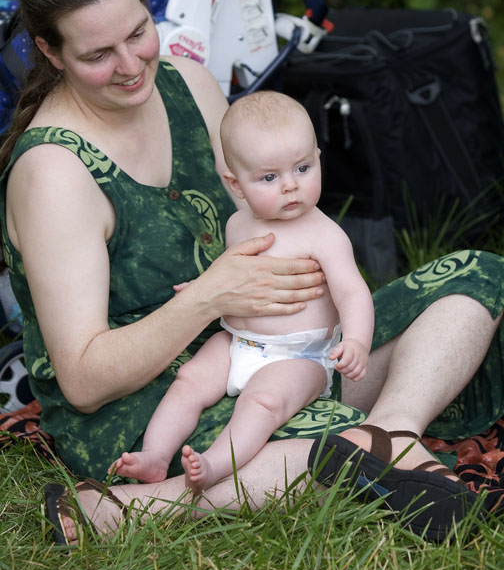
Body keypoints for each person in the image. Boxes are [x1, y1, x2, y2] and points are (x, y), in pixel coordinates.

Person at [0, 0, 502, 546]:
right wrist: (210, 296)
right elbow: (83, 380)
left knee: (477, 275)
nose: (131, 67)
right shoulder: (54, 173)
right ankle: (135, 509)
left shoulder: (188, 84)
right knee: (322, 445)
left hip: (273, 347)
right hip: (145, 401)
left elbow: (265, 201)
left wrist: (321, 290)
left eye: (137, 33)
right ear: (50, 53)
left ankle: (392, 430)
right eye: (98, 54)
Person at [109, 91, 374, 490]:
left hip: (299, 355)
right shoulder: (237, 225)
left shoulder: (325, 235)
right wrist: (200, 290)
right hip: (239, 340)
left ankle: (215, 465)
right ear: (235, 184)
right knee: (191, 380)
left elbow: (353, 293)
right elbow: (231, 277)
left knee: (263, 402)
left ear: (319, 158)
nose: (290, 187)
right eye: (269, 177)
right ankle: (156, 456)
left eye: (302, 168)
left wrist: (356, 340)